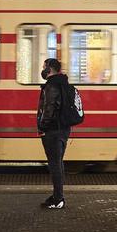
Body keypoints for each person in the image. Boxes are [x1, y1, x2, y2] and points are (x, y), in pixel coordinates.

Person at [36, 58, 73, 209]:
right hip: (63, 129)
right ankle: (58, 196)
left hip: (53, 131)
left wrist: (42, 127)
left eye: (44, 67)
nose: (43, 69)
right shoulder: (64, 83)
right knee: (58, 164)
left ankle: (58, 199)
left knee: (55, 165)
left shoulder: (51, 86)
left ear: (50, 68)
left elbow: (48, 109)